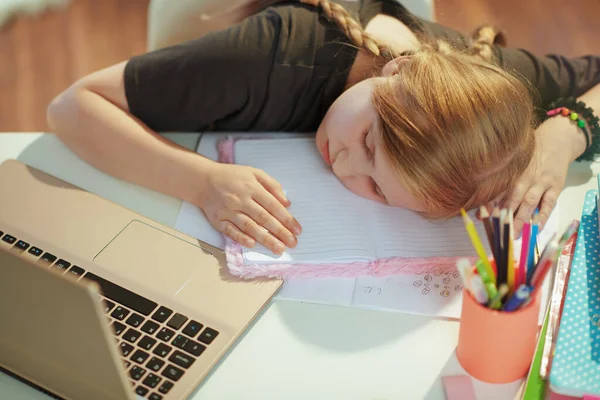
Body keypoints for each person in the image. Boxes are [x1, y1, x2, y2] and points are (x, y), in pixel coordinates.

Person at [47, 0, 600, 255]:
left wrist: (562, 132)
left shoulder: (489, 86)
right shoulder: (273, 55)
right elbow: (71, 107)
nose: (344, 165)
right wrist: (200, 182)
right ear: (400, 69)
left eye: (378, 188)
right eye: (368, 140)